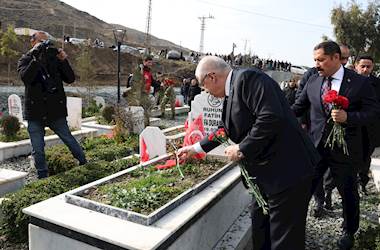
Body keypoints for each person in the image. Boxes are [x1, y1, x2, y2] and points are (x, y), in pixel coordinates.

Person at [178, 56, 319, 250]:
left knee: (285, 238)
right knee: (260, 228)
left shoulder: (249, 79)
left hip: (288, 172)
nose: (205, 90)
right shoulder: (231, 91)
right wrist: (195, 149)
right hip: (265, 176)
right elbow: (225, 129)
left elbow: (270, 116)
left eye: (204, 85)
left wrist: (242, 148)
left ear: (212, 77)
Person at [292, 41, 380, 249]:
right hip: (315, 148)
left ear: (334, 57)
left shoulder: (359, 83)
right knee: (304, 189)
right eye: (314, 60)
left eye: (320, 60)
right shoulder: (313, 82)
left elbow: (373, 113)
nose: (316, 64)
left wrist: (348, 117)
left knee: (348, 191)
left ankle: (349, 231)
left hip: (346, 150)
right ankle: (295, 228)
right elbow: (297, 108)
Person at [17, 31, 87, 179]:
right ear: (32, 42)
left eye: (46, 42)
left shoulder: (54, 58)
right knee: (37, 148)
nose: (44, 45)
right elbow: (26, 78)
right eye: (40, 42)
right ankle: (43, 176)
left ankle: (85, 163)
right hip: (35, 111)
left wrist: (63, 61)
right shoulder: (26, 59)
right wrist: (35, 59)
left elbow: (70, 78)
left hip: (55, 109)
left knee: (68, 138)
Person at [355, 55, 380, 193]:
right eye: (362, 66)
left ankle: (363, 182)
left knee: (366, 157)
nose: (365, 69)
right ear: (356, 66)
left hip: (370, 128)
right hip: (351, 125)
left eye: (368, 66)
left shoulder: (377, 84)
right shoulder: (349, 81)